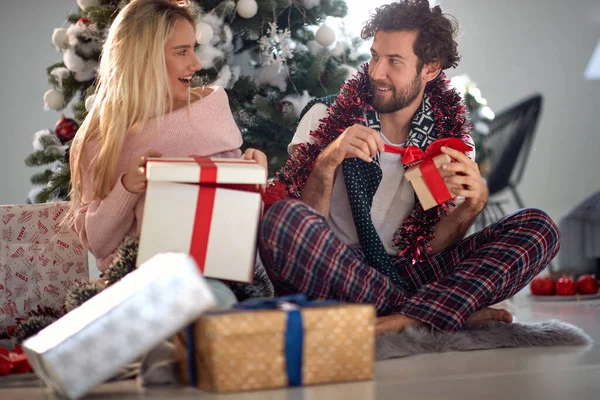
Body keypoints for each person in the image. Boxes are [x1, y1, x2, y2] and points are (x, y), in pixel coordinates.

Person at [259, 0, 560, 334]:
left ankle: (405, 318)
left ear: (430, 68)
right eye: (374, 56)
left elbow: (433, 247)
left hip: (411, 269)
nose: (376, 72)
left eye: (394, 62)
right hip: (340, 267)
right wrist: (328, 160)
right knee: (282, 219)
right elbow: (306, 222)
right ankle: (437, 311)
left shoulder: (450, 142)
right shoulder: (324, 118)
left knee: (539, 227)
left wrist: (474, 205)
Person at [68, 0, 267, 276]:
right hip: (137, 282)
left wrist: (254, 179)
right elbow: (99, 244)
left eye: (193, 50)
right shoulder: (99, 139)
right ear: (144, 59)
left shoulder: (209, 109)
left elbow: (240, 230)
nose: (196, 64)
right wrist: (127, 188)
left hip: (215, 276)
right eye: (182, 52)